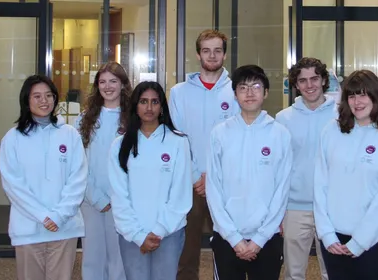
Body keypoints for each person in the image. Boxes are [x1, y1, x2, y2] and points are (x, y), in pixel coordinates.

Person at [313, 69, 378, 280]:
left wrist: (360, 241)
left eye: (364, 94)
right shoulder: (331, 131)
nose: (357, 101)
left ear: (377, 96)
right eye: (352, 95)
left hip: (373, 239)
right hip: (333, 239)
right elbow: (320, 184)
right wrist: (326, 234)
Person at [206, 65, 292, 280]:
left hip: (267, 237)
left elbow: (282, 190)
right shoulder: (220, 133)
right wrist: (234, 238)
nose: (250, 92)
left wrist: (259, 239)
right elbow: (213, 189)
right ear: (235, 94)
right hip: (227, 237)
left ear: (265, 93)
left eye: (256, 86)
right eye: (243, 87)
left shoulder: (280, 134)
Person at [0, 75, 87, 280]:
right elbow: (13, 186)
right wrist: (42, 216)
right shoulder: (12, 139)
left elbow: (78, 179)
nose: (44, 101)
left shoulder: (69, 134)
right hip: (28, 228)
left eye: (49, 95)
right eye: (37, 96)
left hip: (64, 227)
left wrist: (59, 215)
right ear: (26, 100)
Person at [170, 29, 240, 280]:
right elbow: (176, 138)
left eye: (218, 50)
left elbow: (237, 139)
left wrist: (213, 175)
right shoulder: (179, 92)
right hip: (190, 183)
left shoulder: (236, 91)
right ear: (198, 54)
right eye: (207, 50)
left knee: (228, 244)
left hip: (226, 181)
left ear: (224, 54)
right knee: (186, 250)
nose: (212, 55)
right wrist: (195, 176)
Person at [108, 81, 193, 280]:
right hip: (132, 234)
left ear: (162, 106)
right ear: (135, 106)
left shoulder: (178, 142)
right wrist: (138, 235)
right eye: (143, 101)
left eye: (154, 102)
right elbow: (119, 196)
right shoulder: (119, 145)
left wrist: (159, 230)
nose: (149, 107)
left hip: (169, 232)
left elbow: (180, 194)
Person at [276, 57, 340, 280]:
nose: (309, 85)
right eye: (303, 80)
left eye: (314, 78)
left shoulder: (342, 116)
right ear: (296, 85)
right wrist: (279, 210)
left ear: (324, 80)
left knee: (331, 272)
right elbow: (279, 167)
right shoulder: (283, 119)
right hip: (295, 207)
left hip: (332, 206)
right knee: (293, 273)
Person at [74, 63, 131, 280]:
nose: (108, 87)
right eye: (102, 82)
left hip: (122, 200)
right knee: (93, 258)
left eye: (113, 81)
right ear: (97, 86)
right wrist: (96, 197)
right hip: (91, 200)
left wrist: (119, 196)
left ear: (123, 85)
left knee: (120, 259)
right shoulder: (85, 119)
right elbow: (78, 163)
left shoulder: (134, 119)